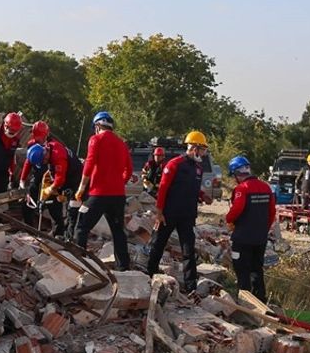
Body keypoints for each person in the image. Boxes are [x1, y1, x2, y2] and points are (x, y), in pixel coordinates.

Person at [146, 131, 211, 292]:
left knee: (188, 250)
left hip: (187, 216)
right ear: (194, 148)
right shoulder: (174, 164)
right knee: (158, 245)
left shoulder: (198, 168)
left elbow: (194, 189)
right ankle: (149, 276)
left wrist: (203, 196)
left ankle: (191, 287)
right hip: (169, 214)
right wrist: (159, 212)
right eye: (202, 150)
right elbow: (163, 189)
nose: (203, 154)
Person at [73, 111, 133, 271]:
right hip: (118, 196)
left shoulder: (96, 139)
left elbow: (89, 163)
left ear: (98, 125)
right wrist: (119, 183)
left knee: (81, 227)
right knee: (118, 232)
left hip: (98, 195)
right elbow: (129, 169)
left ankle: (80, 265)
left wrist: (81, 188)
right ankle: (123, 268)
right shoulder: (121, 143)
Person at [225, 155, 277, 302]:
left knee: (242, 270)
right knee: (257, 270)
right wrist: (264, 229)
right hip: (260, 238)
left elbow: (236, 210)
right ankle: (260, 299)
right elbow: (272, 212)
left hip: (242, 238)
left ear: (236, 173)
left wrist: (228, 220)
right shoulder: (266, 187)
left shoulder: (242, 188)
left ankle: (245, 301)